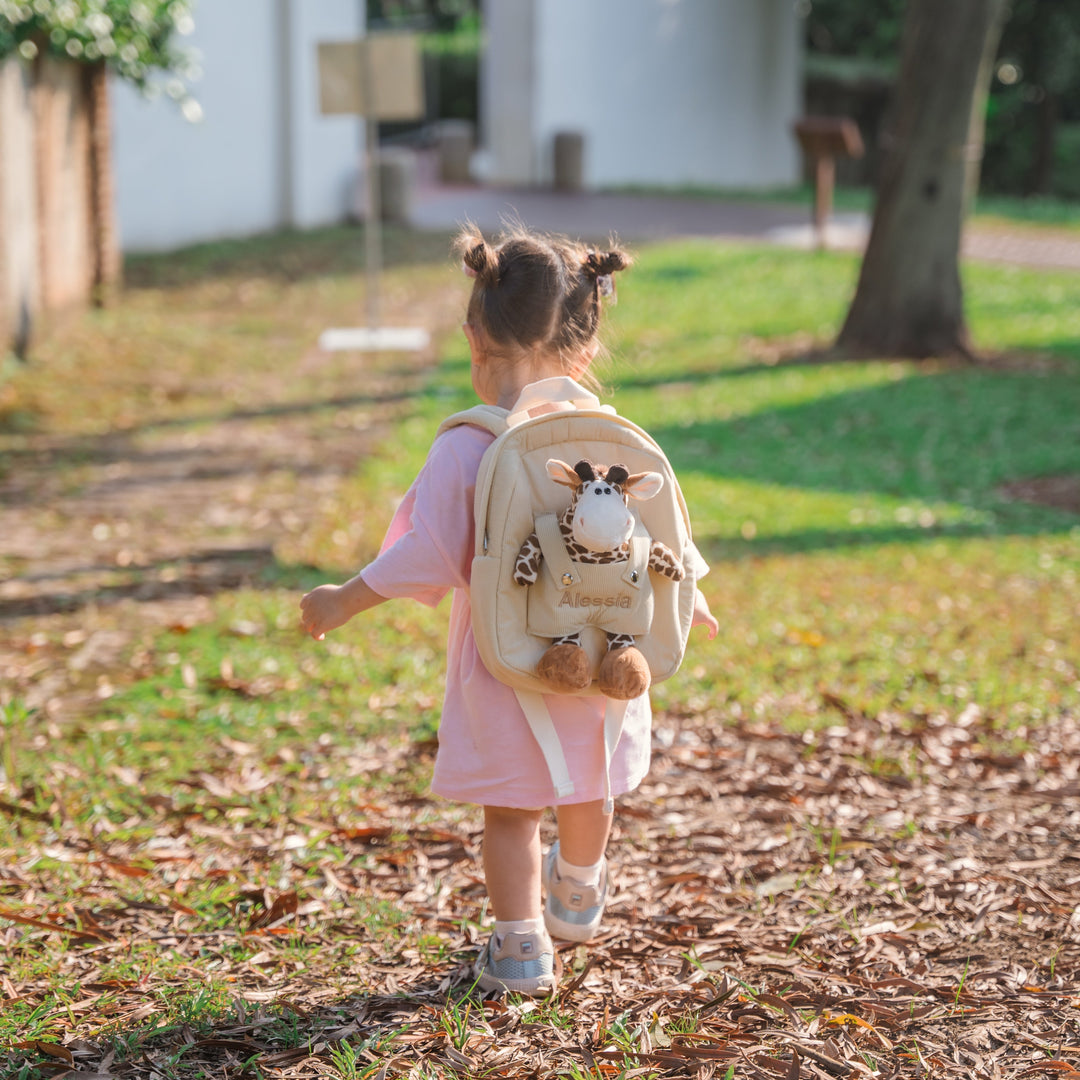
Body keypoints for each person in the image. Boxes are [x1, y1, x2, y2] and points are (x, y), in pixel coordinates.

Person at [300, 226, 719, 996]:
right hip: (605, 654)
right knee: (589, 784)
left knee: (513, 812)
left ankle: (521, 948)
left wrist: (342, 600)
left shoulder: (465, 447)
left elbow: (428, 555)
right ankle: (581, 891)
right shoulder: (616, 441)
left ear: (472, 336)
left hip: (508, 664)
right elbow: (659, 537)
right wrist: (693, 605)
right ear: (586, 347)